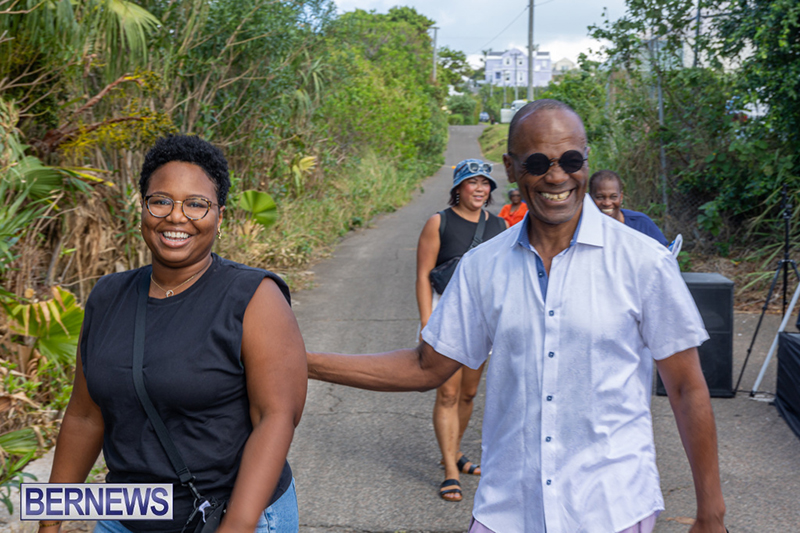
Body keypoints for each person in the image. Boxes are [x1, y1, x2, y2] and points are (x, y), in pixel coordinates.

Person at [307, 100, 727, 532]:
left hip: (611, 506)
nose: (557, 176)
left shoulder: (644, 262)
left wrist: (711, 514)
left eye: (571, 160)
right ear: (510, 168)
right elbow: (425, 366)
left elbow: (685, 387)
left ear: (586, 160)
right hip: (508, 508)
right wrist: (302, 363)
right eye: (538, 163)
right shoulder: (481, 267)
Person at [41, 135, 307, 533]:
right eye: (161, 201)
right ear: (143, 208)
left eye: (196, 204)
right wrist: (49, 522)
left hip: (226, 515)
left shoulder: (254, 296)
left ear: (220, 216)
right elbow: (84, 415)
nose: (176, 217)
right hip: (125, 514)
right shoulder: (107, 296)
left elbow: (276, 417)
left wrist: (236, 526)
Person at [415, 159, 507, 501]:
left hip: (482, 319)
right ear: (459, 187)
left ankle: (452, 451)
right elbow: (423, 275)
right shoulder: (438, 222)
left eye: (485, 183)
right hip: (446, 316)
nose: (480, 189)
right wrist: (427, 322)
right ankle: (451, 472)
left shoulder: (499, 225)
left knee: (468, 393)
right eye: (473, 182)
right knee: (448, 394)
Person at [590, 169, 669, 246]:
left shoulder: (640, 223)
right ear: (589, 198)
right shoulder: (586, 229)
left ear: (621, 197)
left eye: (613, 197)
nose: (607, 203)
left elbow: (665, 252)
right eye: (600, 197)